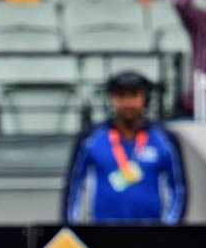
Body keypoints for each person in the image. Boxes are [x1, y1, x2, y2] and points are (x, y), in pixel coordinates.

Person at [64, 70, 188, 225]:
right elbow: (74, 187)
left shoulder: (164, 138)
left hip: (150, 233)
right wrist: (74, 230)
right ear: (112, 99)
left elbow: (178, 188)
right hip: (102, 233)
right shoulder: (91, 138)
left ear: (145, 98)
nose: (128, 102)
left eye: (134, 95)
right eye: (121, 96)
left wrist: (167, 231)